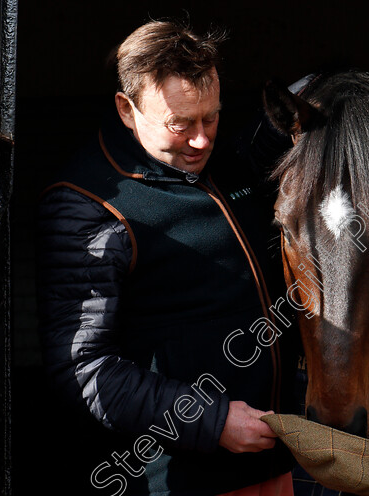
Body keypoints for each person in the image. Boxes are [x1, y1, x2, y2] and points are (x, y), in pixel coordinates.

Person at [36, 20, 295, 495]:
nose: (201, 140)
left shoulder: (223, 162)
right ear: (126, 109)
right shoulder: (87, 204)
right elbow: (84, 371)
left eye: (211, 117)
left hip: (273, 467)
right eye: (181, 124)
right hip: (181, 481)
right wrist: (212, 421)